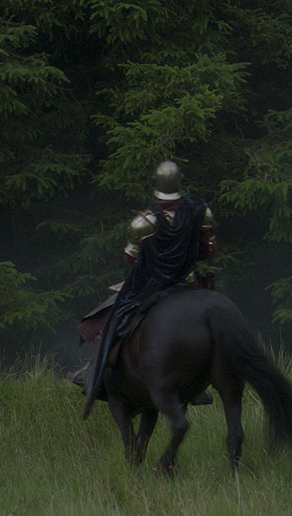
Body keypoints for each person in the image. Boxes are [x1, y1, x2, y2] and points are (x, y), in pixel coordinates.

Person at [68, 160, 217, 402]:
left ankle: (92, 374)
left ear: (156, 184)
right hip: (189, 285)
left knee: (109, 319)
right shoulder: (201, 213)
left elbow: (130, 258)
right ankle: (199, 384)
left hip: (150, 287)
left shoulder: (144, 222)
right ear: (180, 182)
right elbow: (209, 249)